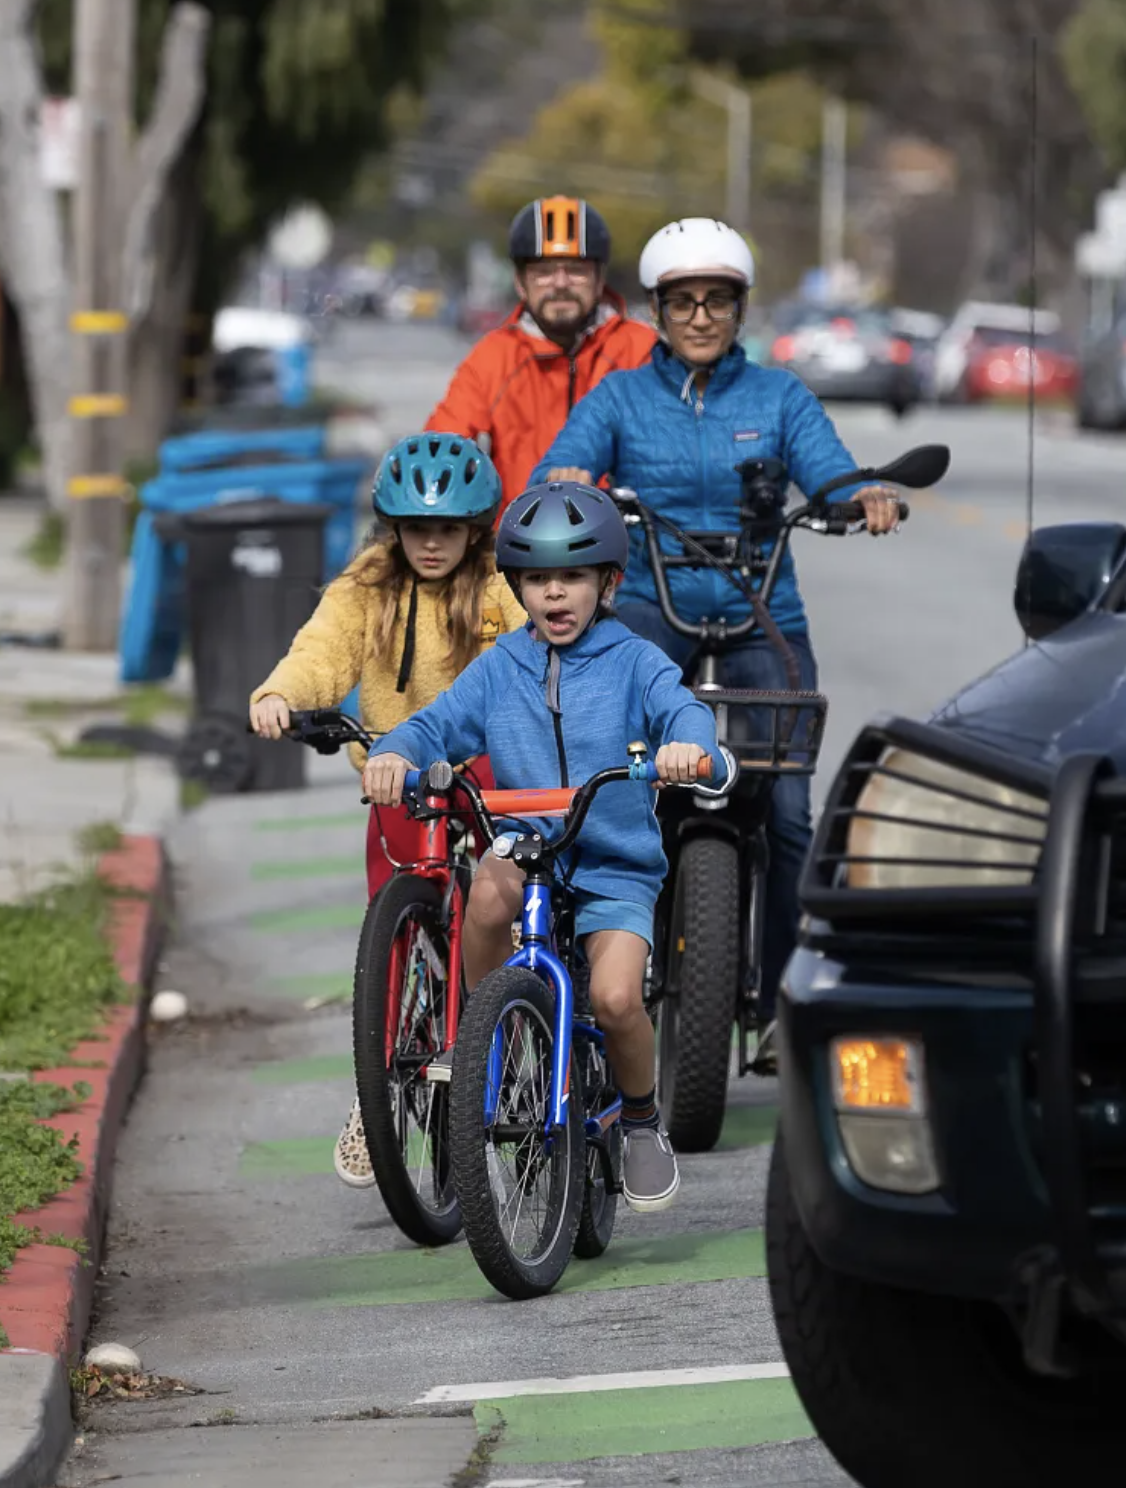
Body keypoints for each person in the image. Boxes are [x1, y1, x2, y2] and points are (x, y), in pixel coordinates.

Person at [536, 218, 904, 1066]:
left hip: (762, 612)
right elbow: (565, 461)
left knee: (786, 810)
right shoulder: (623, 397)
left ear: (740, 309)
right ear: (658, 311)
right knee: (606, 789)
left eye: (718, 301)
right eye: (682, 302)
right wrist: (561, 480)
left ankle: (781, 997)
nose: (700, 316)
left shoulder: (779, 397)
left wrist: (866, 495)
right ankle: (585, 977)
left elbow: (832, 472)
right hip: (650, 607)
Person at [362, 482, 725, 1213]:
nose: (554, 595)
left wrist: (690, 746)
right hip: (529, 846)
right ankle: (492, 1037)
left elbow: (682, 708)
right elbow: (436, 725)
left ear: (608, 583)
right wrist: (395, 754)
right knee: (488, 889)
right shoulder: (501, 667)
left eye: (572, 578)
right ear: (517, 586)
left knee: (616, 997)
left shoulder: (634, 661)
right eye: (536, 580)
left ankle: (643, 1122)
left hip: (615, 859)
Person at [249, 432, 529, 1189]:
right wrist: (282, 695)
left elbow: (540, 650)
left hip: (488, 777)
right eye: (415, 528)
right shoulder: (365, 588)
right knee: (394, 934)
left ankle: (506, 1040)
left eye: (447, 528)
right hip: (397, 780)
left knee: (500, 905)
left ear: (477, 529)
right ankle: (379, 1093)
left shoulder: (504, 585)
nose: (431, 544)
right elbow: (321, 652)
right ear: (391, 528)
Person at [425, 196, 658, 514]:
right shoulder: (493, 357)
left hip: (625, 552)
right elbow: (442, 450)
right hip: (515, 551)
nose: (560, 283)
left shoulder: (641, 348)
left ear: (600, 278)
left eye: (576, 270)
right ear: (520, 282)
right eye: (544, 271)